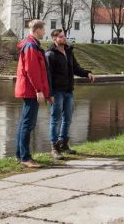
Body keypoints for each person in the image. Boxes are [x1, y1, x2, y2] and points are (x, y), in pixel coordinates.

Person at [45, 28, 95, 158]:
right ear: (54, 39)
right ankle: (54, 148)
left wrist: (87, 73)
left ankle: (63, 144)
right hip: (56, 92)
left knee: (68, 118)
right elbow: (47, 76)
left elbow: (76, 68)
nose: (63, 38)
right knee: (56, 119)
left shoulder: (68, 51)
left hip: (68, 90)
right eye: (60, 37)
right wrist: (49, 94)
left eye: (64, 36)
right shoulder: (50, 54)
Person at [14, 19, 51, 168]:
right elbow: (32, 71)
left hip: (29, 89)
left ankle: (20, 155)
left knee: (25, 123)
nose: (44, 32)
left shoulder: (32, 45)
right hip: (30, 90)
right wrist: (39, 90)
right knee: (28, 124)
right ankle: (25, 157)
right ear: (37, 30)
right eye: (43, 29)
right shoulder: (31, 46)